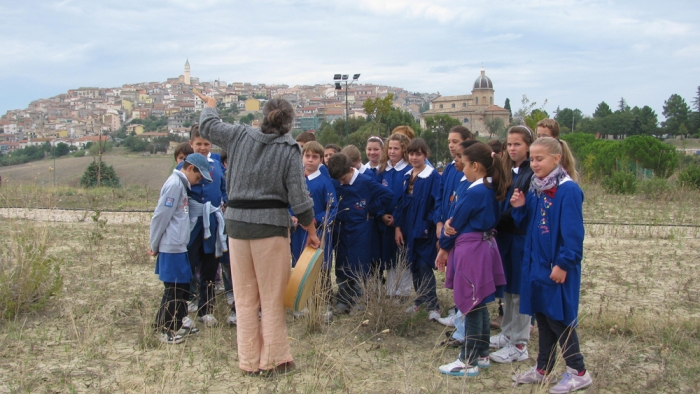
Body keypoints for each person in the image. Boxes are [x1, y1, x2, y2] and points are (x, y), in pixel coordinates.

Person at [197, 91, 320, 376]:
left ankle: (249, 361)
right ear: (289, 123)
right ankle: (275, 359)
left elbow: (207, 127)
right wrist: (311, 230)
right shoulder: (289, 149)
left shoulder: (239, 135)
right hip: (270, 230)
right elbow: (300, 199)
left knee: (244, 296)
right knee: (272, 297)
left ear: (263, 116)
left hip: (237, 228)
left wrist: (211, 105)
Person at [510, 137, 592, 393]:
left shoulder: (567, 190)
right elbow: (528, 226)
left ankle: (578, 371)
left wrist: (564, 264)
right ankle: (542, 368)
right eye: (532, 159)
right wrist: (520, 208)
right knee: (543, 318)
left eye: (540, 159)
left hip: (556, 268)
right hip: (536, 265)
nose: (534, 164)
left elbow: (573, 235)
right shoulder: (537, 188)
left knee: (559, 318)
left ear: (556, 158)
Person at [435, 142, 508, 377]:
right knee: (481, 301)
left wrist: (445, 241)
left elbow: (456, 220)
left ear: (475, 166)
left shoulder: (475, 191)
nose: (462, 169)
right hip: (484, 245)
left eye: (464, 164)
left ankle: (469, 359)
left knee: (471, 303)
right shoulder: (490, 187)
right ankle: (483, 352)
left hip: (472, 249)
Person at [150, 153, 211, 344]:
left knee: (182, 287)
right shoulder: (175, 185)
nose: (197, 181)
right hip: (171, 247)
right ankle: (164, 330)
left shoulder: (181, 186)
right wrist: (154, 244)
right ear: (190, 168)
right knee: (174, 290)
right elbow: (161, 216)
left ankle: (177, 322)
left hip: (179, 246)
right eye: (198, 177)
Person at [489, 126, 535, 364]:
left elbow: (520, 210)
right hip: (504, 237)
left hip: (519, 238)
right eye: (509, 144)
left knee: (519, 292)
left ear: (528, 145)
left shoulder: (530, 175)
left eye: (517, 144)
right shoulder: (508, 170)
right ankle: (507, 333)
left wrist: (493, 219)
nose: (512, 148)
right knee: (507, 291)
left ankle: (519, 343)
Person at [327, 152, 393, 313]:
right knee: (342, 264)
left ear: (351, 169)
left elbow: (388, 195)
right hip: (341, 228)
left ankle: (360, 299)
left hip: (360, 229)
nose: (341, 182)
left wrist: (371, 209)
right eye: (339, 181)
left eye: (343, 178)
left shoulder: (366, 182)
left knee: (359, 264)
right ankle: (343, 300)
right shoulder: (335, 181)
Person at [179, 125, 228, 327]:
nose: (202, 147)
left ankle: (206, 309)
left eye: (206, 144)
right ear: (191, 144)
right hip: (191, 223)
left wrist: (223, 204)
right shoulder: (183, 167)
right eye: (198, 144)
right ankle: (182, 307)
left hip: (213, 222)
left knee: (210, 265)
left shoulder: (216, 166)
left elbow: (223, 190)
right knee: (187, 265)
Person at [393, 138, 441, 320]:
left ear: (425, 155)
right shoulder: (407, 176)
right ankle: (420, 301)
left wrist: (432, 224)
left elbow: (437, 203)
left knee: (424, 266)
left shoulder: (433, 176)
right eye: (411, 154)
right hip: (409, 230)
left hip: (425, 231)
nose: (414, 157)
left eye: (418, 154)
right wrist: (398, 227)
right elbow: (401, 204)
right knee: (413, 266)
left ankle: (433, 305)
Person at [290, 141, 337, 322]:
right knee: (300, 268)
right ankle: (301, 304)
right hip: (298, 233)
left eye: (314, 157)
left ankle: (322, 304)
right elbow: (286, 205)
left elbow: (332, 207)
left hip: (319, 233)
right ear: (302, 157)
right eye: (307, 156)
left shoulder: (325, 182)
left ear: (321, 159)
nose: (310, 160)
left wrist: (316, 219)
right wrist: (292, 218)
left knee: (320, 268)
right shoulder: (294, 181)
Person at [378, 133, 412, 299]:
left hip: (404, 223)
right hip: (386, 223)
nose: (392, 151)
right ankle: (391, 292)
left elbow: (406, 199)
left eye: (396, 148)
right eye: (390, 148)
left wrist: (398, 221)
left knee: (403, 257)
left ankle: (403, 293)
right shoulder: (383, 170)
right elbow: (376, 196)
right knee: (390, 258)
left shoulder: (409, 170)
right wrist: (382, 214)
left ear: (403, 149)